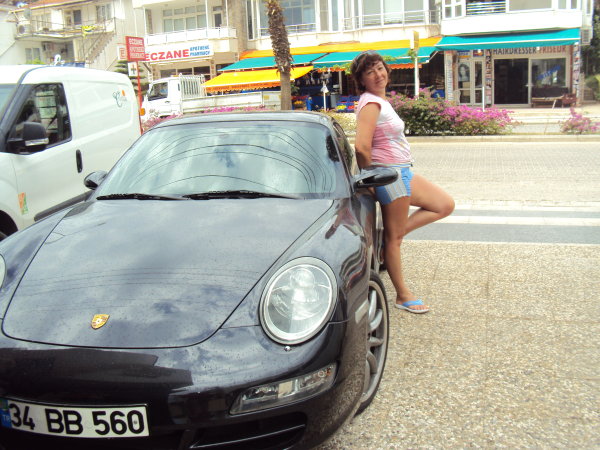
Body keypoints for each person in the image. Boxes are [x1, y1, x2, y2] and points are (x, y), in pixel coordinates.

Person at [352, 50, 454, 314]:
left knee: (444, 205)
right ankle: (403, 295)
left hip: (402, 171)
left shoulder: (380, 101)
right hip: (390, 175)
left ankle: (387, 240)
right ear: (361, 80)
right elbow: (361, 147)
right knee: (395, 240)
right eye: (370, 72)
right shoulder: (371, 104)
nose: (378, 75)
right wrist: (371, 178)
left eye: (380, 68)